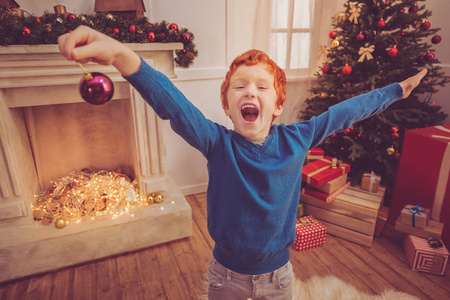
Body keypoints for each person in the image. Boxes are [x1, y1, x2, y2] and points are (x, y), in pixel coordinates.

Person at [58, 26, 427, 300]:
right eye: (240, 86)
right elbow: (173, 104)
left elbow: (346, 111)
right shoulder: (216, 142)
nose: (250, 91)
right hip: (224, 277)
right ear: (228, 107)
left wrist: (397, 90)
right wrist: (123, 56)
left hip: (278, 278)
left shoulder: (299, 138)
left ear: (278, 106)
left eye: (262, 87)